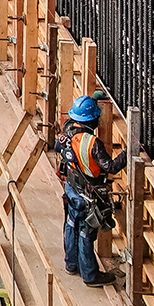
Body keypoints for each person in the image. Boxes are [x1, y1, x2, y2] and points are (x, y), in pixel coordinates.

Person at [56, 94, 126, 285]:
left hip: (71, 187)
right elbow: (111, 167)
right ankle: (90, 275)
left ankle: (71, 264)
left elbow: (57, 146)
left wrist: (93, 100)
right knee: (86, 233)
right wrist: (128, 152)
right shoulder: (92, 143)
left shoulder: (68, 129)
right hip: (87, 194)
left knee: (71, 225)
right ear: (92, 120)